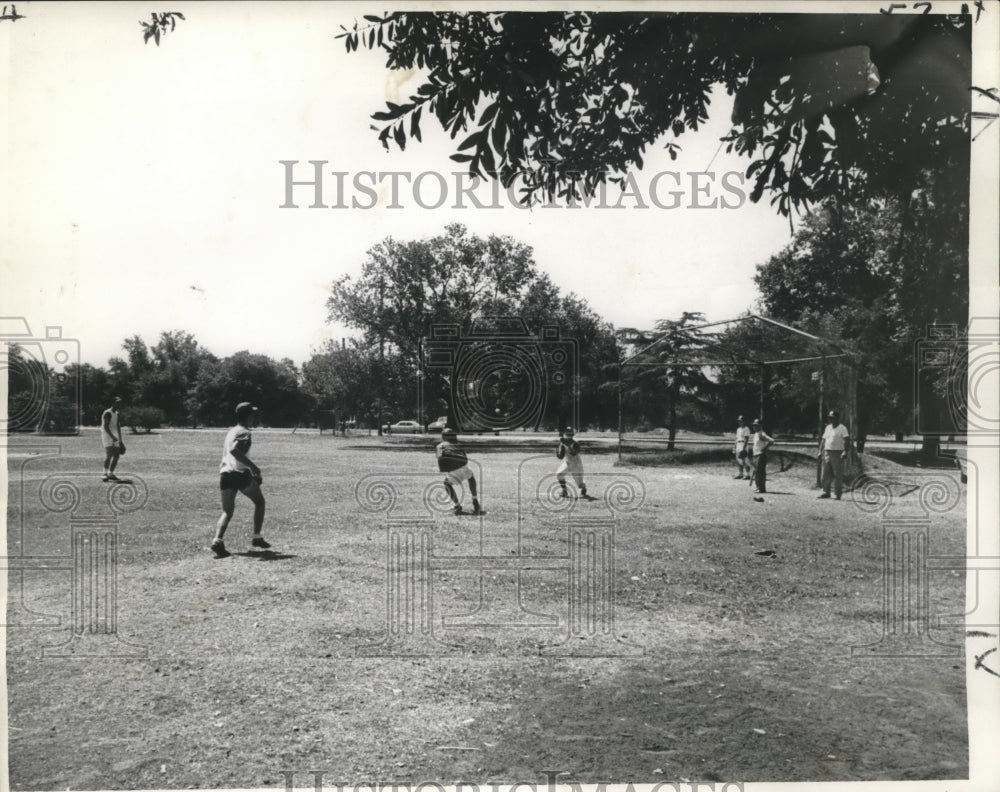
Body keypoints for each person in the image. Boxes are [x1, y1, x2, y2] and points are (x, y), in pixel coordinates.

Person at [211, 401, 269, 558]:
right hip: (240, 474)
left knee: (227, 511)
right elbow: (235, 451)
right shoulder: (245, 432)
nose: (254, 418)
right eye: (253, 415)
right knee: (260, 502)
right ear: (249, 416)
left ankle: (217, 540)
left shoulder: (231, 431)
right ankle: (257, 537)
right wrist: (253, 467)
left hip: (225, 474)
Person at [436, 427, 482, 515]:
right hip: (464, 467)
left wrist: (446, 470)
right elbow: (465, 458)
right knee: (471, 477)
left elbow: (440, 459)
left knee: (446, 484)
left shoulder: (440, 446)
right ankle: (475, 500)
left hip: (454, 470)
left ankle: (457, 505)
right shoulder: (459, 444)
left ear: (444, 436)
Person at [818, 410, 851, 499]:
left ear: (837, 418)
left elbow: (847, 440)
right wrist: (820, 451)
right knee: (826, 473)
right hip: (827, 452)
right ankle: (826, 492)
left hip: (838, 453)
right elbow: (823, 440)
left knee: (838, 474)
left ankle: (837, 493)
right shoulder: (828, 427)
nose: (831, 419)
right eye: (829, 418)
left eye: (833, 418)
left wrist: (845, 451)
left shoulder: (842, 428)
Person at [557, 427, 589, 499]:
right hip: (567, 463)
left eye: (570, 434)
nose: (568, 435)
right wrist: (559, 450)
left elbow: (573, 453)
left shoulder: (575, 444)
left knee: (579, 484)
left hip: (576, 464)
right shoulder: (563, 443)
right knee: (559, 474)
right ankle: (564, 491)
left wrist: (565, 443)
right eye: (567, 433)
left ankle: (583, 489)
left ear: (572, 435)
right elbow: (561, 456)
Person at [101, 396, 125, 482]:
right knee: (109, 454)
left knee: (116, 456)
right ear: (113, 403)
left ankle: (111, 473)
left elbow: (118, 426)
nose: (119, 404)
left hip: (115, 435)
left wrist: (120, 440)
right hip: (107, 435)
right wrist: (112, 437)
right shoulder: (107, 413)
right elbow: (105, 427)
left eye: (120, 403)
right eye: (117, 402)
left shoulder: (117, 413)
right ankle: (104, 473)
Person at [749, 418, 774, 498]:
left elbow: (771, 440)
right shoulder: (756, 434)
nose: (754, 427)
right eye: (754, 425)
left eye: (756, 425)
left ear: (760, 426)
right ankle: (758, 487)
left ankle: (762, 488)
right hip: (756, 454)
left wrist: (764, 449)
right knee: (756, 471)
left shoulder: (761, 433)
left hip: (761, 455)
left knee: (760, 472)